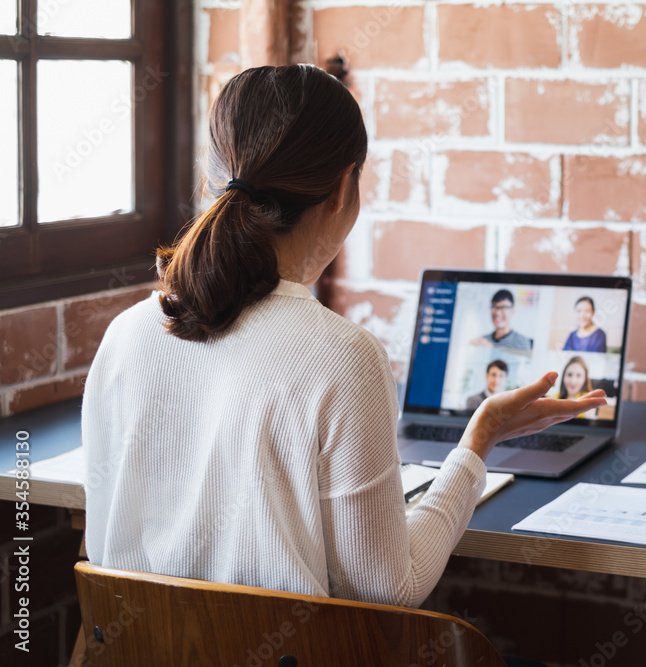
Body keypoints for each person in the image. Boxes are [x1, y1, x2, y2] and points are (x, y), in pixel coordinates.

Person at [82, 65, 606, 617]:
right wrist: (478, 443)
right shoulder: (343, 357)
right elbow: (390, 589)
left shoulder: (127, 335)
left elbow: (103, 539)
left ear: (213, 178)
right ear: (341, 191)